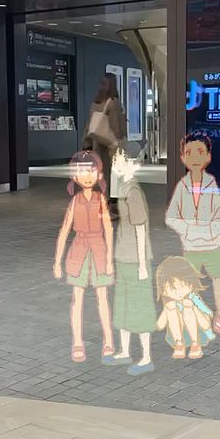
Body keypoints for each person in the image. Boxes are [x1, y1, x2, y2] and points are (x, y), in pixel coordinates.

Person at [165, 132, 220, 336]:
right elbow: (171, 217)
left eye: (200, 152)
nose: (195, 158)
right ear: (182, 157)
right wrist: (188, 230)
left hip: (212, 245)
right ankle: (193, 316)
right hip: (191, 247)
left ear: (208, 156)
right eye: (189, 153)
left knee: (217, 279)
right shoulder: (182, 186)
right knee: (190, 283)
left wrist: (210, 232)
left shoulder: (211, 184)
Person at [52, 150, 114, 364]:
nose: (86, 176)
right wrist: (57, 261)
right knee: (77, 299)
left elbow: (108, 228)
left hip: (98, 250)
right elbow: (64, 230)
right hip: (78, 251)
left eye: (91, 171)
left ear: (98, 174)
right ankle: (77, 342)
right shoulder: (74, 202)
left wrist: (109, 259)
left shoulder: (100, 200)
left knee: (102, 298)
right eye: (80, 172)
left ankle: (108, 341)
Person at [107, 146, 157, 376]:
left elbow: (139, 229)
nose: (116, 166)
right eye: (114, 162)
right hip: (123, 255)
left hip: (135, 259)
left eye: (120, 161)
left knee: (139, 307)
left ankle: (146, 356)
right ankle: (125, 350)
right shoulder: (124, 188)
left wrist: (143, 265)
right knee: (124, 305)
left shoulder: (133, 191)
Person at [155, 255, 215, 361]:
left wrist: (208, 329)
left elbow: (207, 316)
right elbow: (160, 325)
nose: (178, 292)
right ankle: (179, 343)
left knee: (188, 305)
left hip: (200, 331)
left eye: (182, 286)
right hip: (178, 335)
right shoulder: (170, 304)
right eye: (172, 289)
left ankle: (195, 343)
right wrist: (167, 310)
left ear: (191, 284)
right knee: (171, 307)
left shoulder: (193, 297)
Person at [84, 73, 127, 214]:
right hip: (110, 145)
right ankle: (109, 206)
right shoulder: (112, 103)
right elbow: (116, 127)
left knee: (101, 175)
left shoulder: (95, 102)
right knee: (113, 176)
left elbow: (89, 125)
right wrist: (119, 144)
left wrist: (86, 143)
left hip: (97, 144)